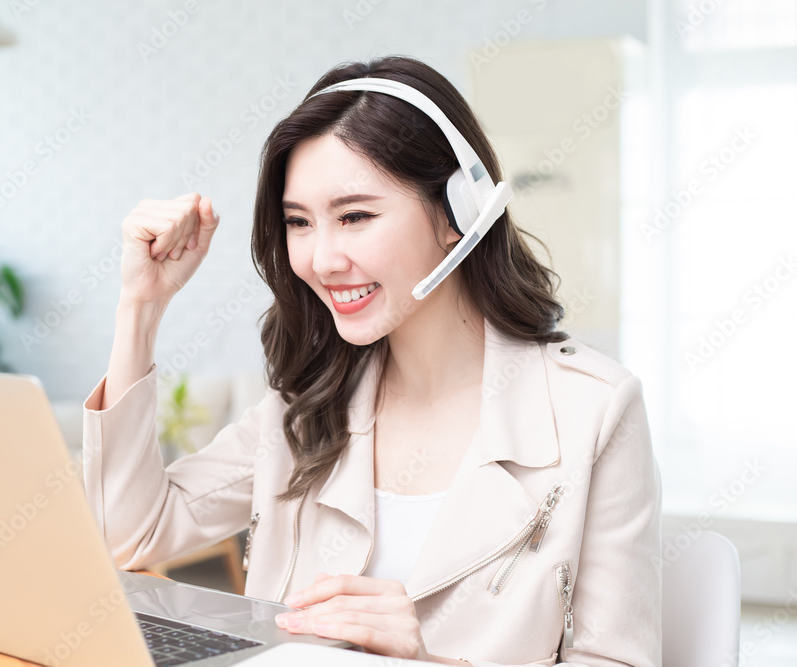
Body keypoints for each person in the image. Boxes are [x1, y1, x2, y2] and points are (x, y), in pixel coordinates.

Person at [82, 55, 661, 666]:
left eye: (355, 216)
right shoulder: (305, 404)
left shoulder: (594, 409)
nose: (322, 259)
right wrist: (140, 308)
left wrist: (425, 661)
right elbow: (129, 533)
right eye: (298, 222)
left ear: (457, 214)